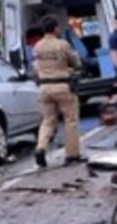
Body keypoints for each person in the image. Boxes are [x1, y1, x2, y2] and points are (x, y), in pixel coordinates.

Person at [31, 15, 82, 168]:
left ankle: (41, 148)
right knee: (70, 119)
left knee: (47, 120)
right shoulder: (62, 44)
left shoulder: (37, 46)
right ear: (55, 28)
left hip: (44, 87)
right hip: (62, 86)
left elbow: (36, 65)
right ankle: (72, 155)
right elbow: (76, 63)